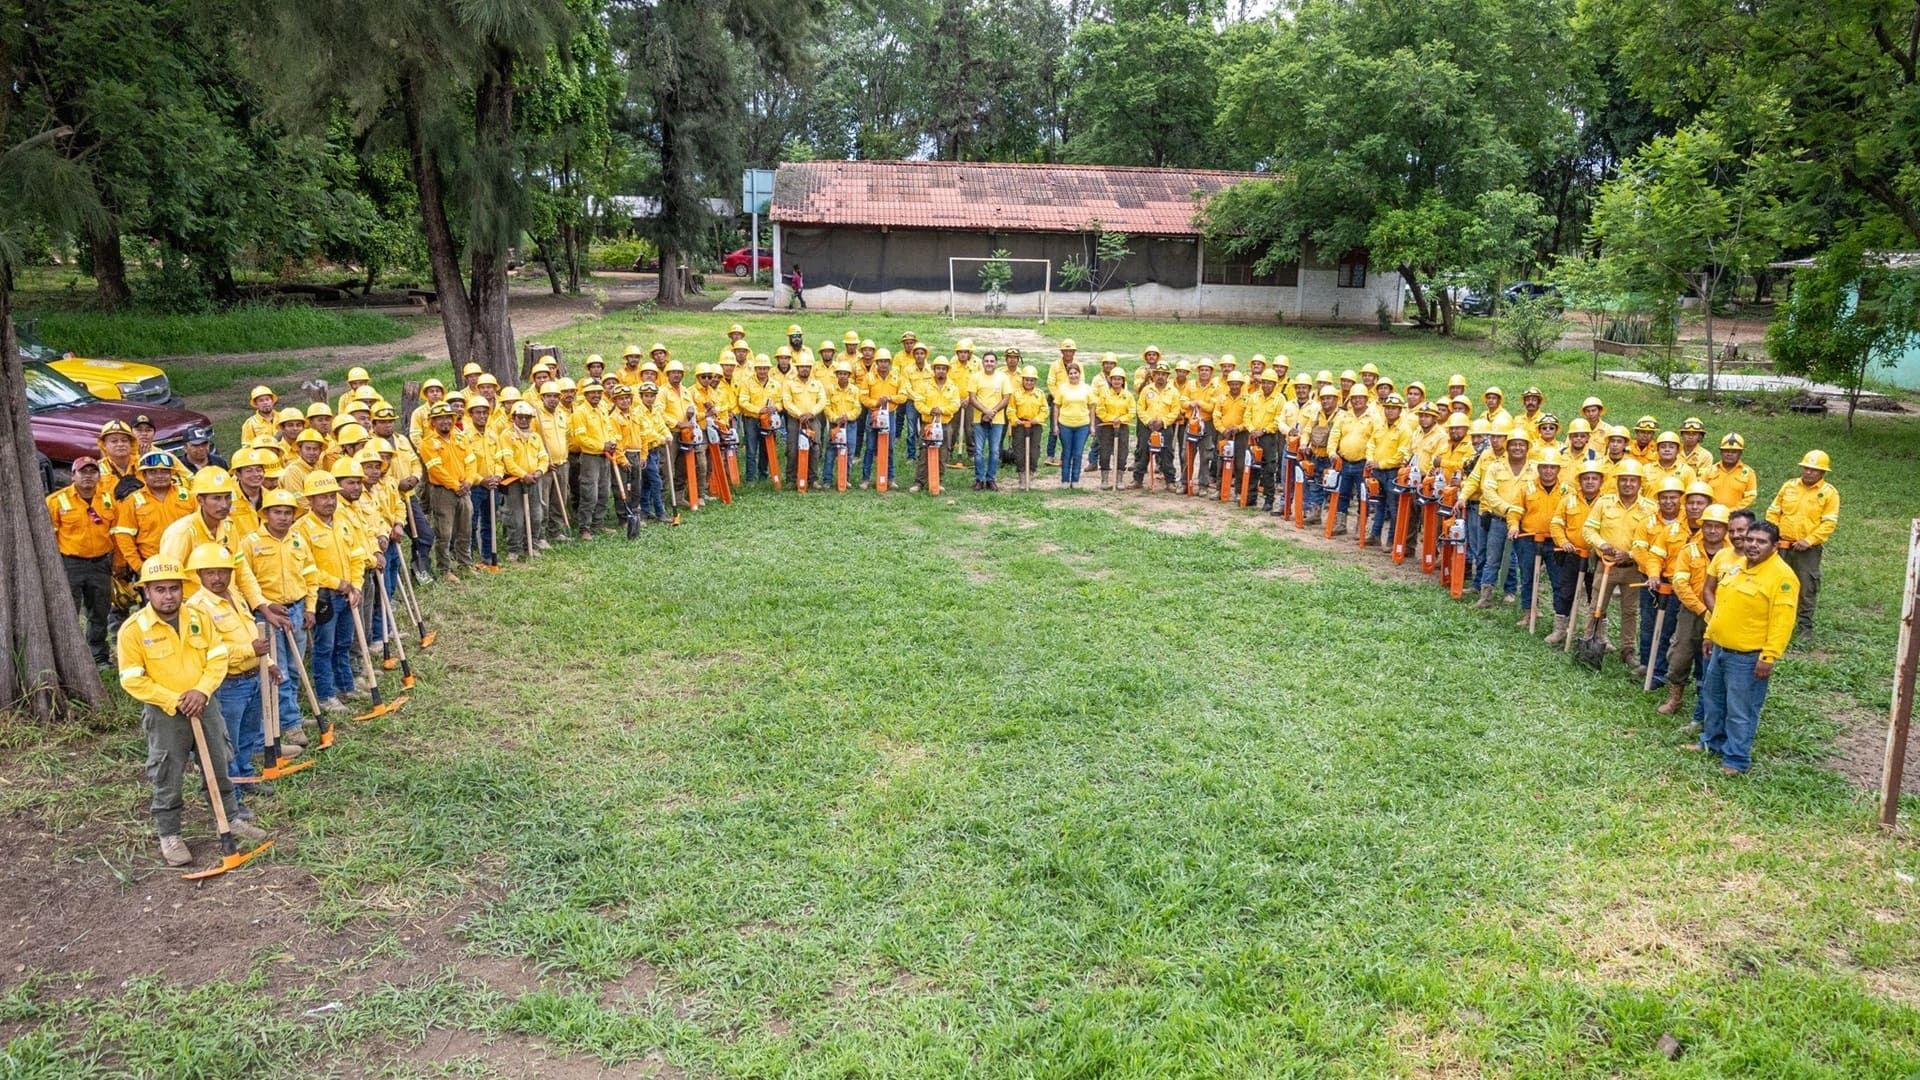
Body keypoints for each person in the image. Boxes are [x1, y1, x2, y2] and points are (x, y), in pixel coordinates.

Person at [118, 555, 268, 866]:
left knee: (218, 763)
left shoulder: (198, 618)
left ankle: (229, 820)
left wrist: (201, 691)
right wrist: (175, 700)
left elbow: (217, 658)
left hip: (205, 705)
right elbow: (132, 680)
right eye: (160, 589)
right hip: (166, 714)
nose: (168, 595)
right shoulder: (133, 630)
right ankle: (170, 835)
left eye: (174, 588)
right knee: (167, 773)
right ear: (147, 591)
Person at [185, 543, 289, 811]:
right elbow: (210, 650)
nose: (218, 578)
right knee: (226, 744)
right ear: (199, 574)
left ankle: (245, 779)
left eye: (223, 572)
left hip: (254, 677)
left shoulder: (234, 595)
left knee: (248, 735)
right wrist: (249, 651)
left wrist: (268, 662)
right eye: (211, 573)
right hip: (229, 684)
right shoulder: (197, 607)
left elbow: (249, 631)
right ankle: (233, 800)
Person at [1690, 520, 1799, 774]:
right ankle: (1711, 743)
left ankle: (1736, 759)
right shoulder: (1736, 566)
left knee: (1741, 710)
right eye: (1750, 539)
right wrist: (1710, 634)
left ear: (1774, 546)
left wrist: (1769, 656)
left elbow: (1782, 621)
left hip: (1748, 657)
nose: (1753, 545)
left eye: (1761, 541)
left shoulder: (1782, 578)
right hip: (1719, 648)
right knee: (1713, 700)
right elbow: (1723, 605)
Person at [238, 489, 319, 748]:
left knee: (295, 667)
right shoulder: (250, 542)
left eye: (287, 513)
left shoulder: (297, 540)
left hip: (296, 610)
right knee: (279, 669)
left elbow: (310, 575)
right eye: (277, 512)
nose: (283, 518)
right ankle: (291, 725)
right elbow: (243, 582)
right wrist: (264, 607)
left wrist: (310, 607)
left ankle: (289, 713)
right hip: (269, 615)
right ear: (266, 515)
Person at [1660, 502, 1733, 716]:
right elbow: (1680, 584)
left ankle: (1708, 702)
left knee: (1714, 657)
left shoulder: (1734, 554)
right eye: (1708, 525)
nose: (1712, 530)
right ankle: (1675, 697)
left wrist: (1718, 611)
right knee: (1680, 653)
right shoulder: (1688, 551)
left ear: (1726, 529)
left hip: (1723, 614)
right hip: (1692, 612)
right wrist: (1702, 609)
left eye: (1718, 526)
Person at [1581, 458, 1655, 661]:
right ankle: (1589, 642)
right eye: (1624, 480)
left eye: (1633, 480)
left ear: (1640, 483)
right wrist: (1601, 544)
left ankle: (1628, 650)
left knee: (1630, 611)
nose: (1628, 484)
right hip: (1606, 565)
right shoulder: (1604, 503)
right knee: (1596, 606)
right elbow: (1589, 529)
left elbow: (1653, 538)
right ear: (1617, 481)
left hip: (1633, 568)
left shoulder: (1649, 508)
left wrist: (1631, 553)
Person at [46, 457, 116, 663]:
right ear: (72, 475)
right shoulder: (56, 501)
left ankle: (99, 656)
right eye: (82, 472)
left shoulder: (108, 499)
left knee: (100, 611)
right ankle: (68, 658)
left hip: (101, 563)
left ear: (98, 476)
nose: (87, 476)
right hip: (71, 564)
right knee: (68, 611)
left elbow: (116, 532)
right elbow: (49, 538)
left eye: (92, 472)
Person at [1764, 450, 1838, 638]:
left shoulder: (1828, 493)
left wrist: (1809, 540)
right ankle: (1773, 622)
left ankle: (1805, 628)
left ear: (1823, 472)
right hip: (1781, 545)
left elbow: (1829, 523)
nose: (1809, 472)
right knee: (1775, 583)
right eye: (1806, 468)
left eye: (1814, 470)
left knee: (1806, 586)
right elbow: (1773, 511)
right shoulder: (1789, 486)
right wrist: (1773, 534)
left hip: (1807, 550)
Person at [418, 403, 475, 580]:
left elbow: (471, 461)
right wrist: (455, 485)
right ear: (432, 421)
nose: (445, 421)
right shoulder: (428, 443)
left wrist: (469, 481)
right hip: (443, 492)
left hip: (464, 489)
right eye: (440, 418)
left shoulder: (460, 438)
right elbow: (436, 470)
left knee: (465, 529)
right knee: (445, 532)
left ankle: (465, 564)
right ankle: (445, 570)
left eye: (448, 417)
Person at [912, 356, 963, 493]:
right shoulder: (925, 385)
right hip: (927, 424)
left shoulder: (952, 387)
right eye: (938, 368)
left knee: (943, 454)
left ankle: (937, 481)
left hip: (944, 425)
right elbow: (918, 402)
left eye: (943, 369)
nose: (940, 371)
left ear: (947, 370)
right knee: (923, 453)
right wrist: (930, 410)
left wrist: (942, 411)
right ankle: (919, 482)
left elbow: (955, 404)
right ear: (934, 370)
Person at [970, 352, 1012, 490]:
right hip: (979, 419)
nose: (989, 363)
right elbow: (972, 398)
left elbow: (1006, 398)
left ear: (996, 363)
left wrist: (992, 411)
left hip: (997, 420)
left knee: (994, 451)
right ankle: (979, 479)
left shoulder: (1003, 378)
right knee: (979, 451)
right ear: (982, 362)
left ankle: (991, 479)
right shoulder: (975, 377)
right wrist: (985, 411)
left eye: (992, 361)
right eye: (986, 361)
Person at [1053, 361, 1094, 489]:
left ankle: (1075, 479)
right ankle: (1065, 479)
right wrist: (1055, 425)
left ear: (1079, 374)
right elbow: (1056, 407)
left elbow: (1092, 407)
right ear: (1068, 375)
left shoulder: (1087, 388)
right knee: (1067, 452)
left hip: (1082, 425)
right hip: (1065, 424)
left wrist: (1092, 425)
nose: (1073, 375)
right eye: (1070, 373)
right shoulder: (1062, 388)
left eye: (1075, 373)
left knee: (1078, 453)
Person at [1094, 366, 1135, 488]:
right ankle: (1105, 480)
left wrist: (1121, 419)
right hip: (1107, 426)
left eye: (1119, 379)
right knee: (1105, 452)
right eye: (1114, 379)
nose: (1117, 381)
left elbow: (1132, 411)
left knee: (1122, 452)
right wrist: (1111, 419)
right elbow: (1100, 410)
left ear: (1123, 381)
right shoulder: (1104, 394)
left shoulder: (1128, 395)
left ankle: (1119, 480)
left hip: (1122, 427)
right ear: (1110, 380)